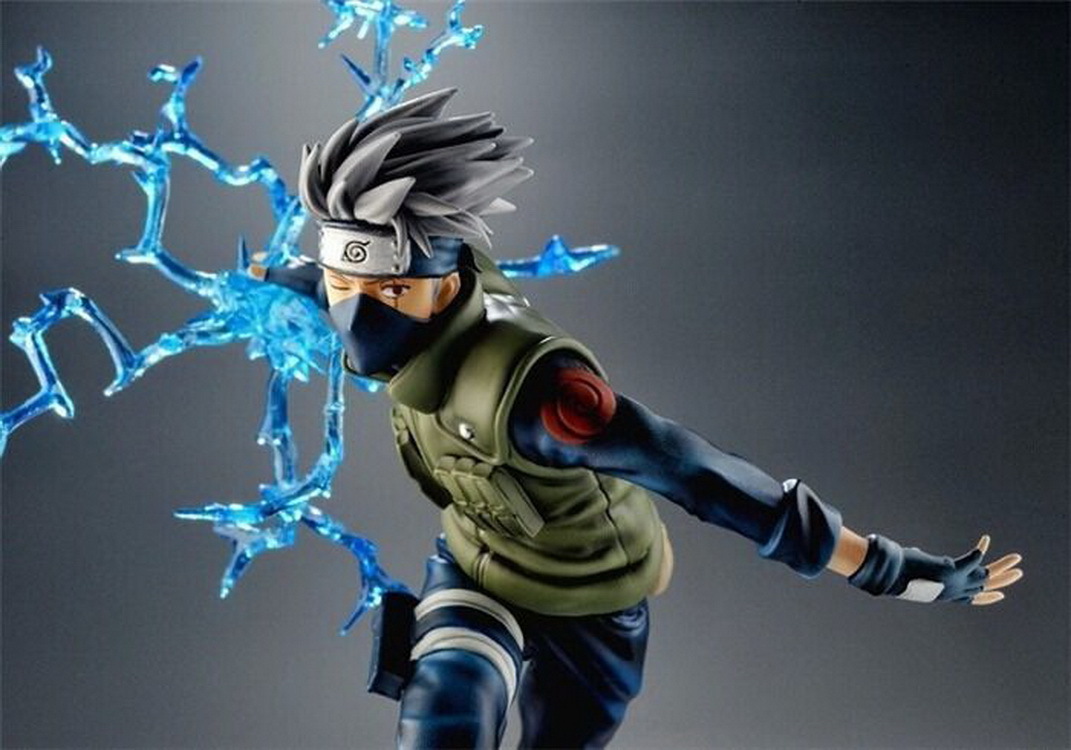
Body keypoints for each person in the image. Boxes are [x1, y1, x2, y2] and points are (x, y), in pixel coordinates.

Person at [252, 88, 1023, 750]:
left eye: (390, 291)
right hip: (476, 564)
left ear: (443, 281)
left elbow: (699, 476)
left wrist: (889, 568)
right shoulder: (389, 282)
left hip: (592, 600)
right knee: (443, 720)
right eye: (344, 280)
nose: (358, 311)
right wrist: (273, 276)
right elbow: (332, 283)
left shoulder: (540, 396)